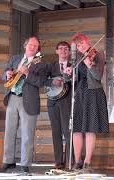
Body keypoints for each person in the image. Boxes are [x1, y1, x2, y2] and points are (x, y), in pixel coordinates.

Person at [0, 36, 47, 173]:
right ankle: (8, 161)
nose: (32, 47)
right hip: (12, 97)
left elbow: (41, 83)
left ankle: (25, 163)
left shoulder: (41, 63)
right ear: (25, 45)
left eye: (36, 46)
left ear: (38, 49)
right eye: (31, 44)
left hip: (29, 99)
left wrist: (28, 73)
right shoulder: (15, 58)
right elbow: (4, 73)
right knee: (9, 131)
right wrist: (6, 74)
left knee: (27, 133)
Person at [63, 33, 109, 173]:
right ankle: (78, 161)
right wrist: (67, 72)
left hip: (94, 93)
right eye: (77, 45)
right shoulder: (75, 57)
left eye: (81, 43)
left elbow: (97, 76)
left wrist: (89, 65)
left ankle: (88, 163)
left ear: (87, 41)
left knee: (90, 128)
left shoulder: (98, 54)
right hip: (80, 94)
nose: (80, 46)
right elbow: (67, 79)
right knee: (77, 129)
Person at [44, 41, 72, 169]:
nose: (63, 51)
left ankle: (69, 161)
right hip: (52, 102)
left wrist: (70, 76)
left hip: (66, 102)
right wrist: (52, 81)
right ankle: (58, 162)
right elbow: (44, 80)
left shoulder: (73, 66)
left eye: (66, 49)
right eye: (60, 48)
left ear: (70, 52)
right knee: (56, 132)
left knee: (67, 131)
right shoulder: (51, 66)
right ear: (56, 51)